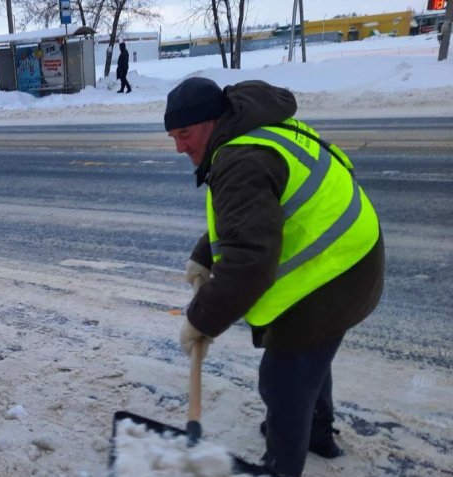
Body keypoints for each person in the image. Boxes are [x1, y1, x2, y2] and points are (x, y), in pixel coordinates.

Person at [165, 77, 384, 477]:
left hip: (335, 274)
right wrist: (204, 256)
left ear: (213, 121)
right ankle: (316, 432)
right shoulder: (257, 129)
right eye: (173, 136)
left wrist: (201, 319)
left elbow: (250, 263)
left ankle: (282, 466)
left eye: (185, 133)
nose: (180, 146)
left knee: (284, 380)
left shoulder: (240, 160)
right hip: (354, 256)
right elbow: (254, 217)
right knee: (310, 356)